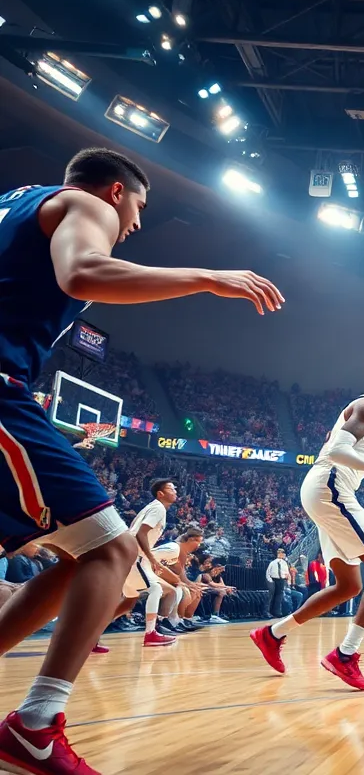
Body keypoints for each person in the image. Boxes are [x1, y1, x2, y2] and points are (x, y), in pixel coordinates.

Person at [0, 147, 283, 775]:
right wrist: (205, 277)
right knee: (112, 551)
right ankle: (36, 724)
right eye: (138, 208)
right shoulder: (82, 202)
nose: (134, 224)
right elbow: (82, 273)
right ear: (115, 191)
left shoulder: (15, 205)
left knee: (90, 556)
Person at [249, 357, 364, 691]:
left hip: (323, 490)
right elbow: (339, 450)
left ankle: (272, 634)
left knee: (348, 586)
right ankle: (345, 655)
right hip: (330, 485)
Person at [113, 479, 181, 647]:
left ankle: (93, 635)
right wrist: (151, 558)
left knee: (130, 599)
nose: (175, 491)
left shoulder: (154, 507)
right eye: (171, 489)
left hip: (128, 555)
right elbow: (141, 534)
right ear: (161, 493)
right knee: (155, 589)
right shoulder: (158, 508)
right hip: (133, 556)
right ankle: (150, 634)